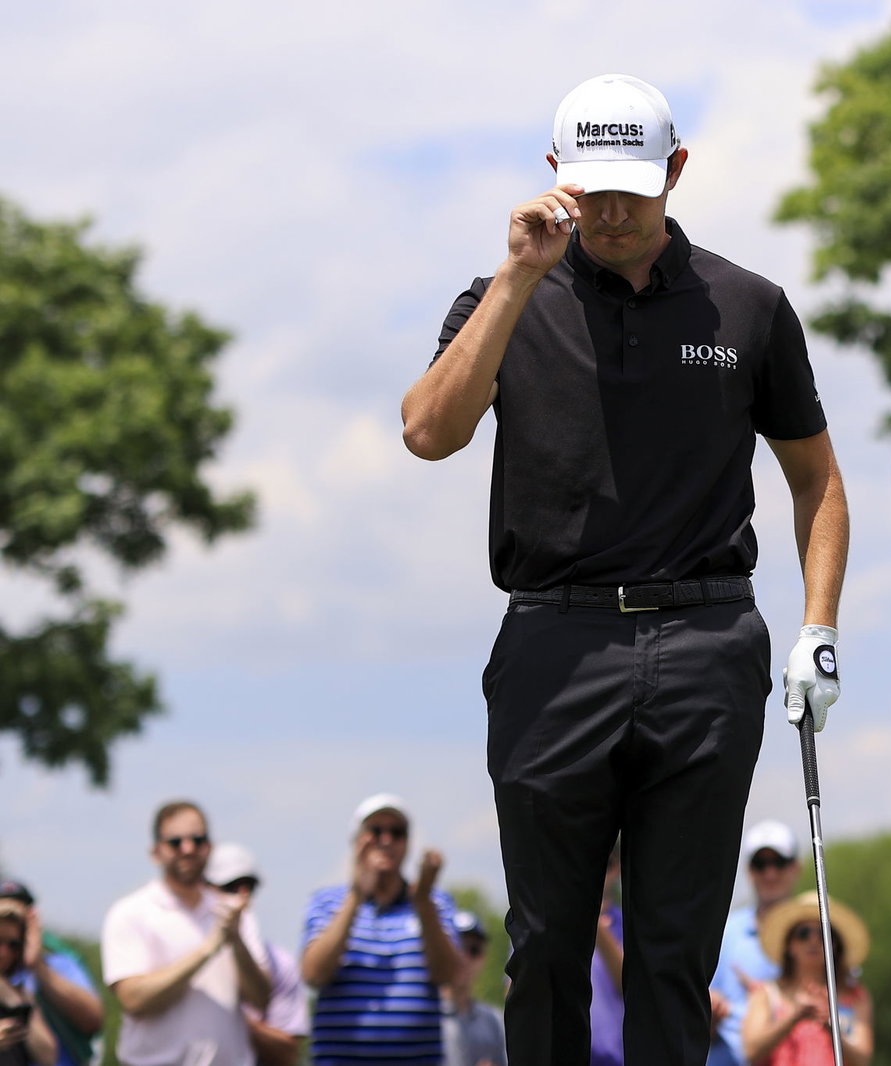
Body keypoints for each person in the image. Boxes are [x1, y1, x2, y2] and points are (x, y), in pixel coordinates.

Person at [401, 71, 849, 1066]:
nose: (609, 211)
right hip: (555, 641)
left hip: (706, 642)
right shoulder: (500, 300)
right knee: (549, 943)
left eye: (632, 189)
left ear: (676, 173)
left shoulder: (748, 305)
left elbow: (818, 483)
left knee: (671, 949)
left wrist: (818, 627)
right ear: (556, 175)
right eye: (591, 187)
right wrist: (518, 276)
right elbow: (429, 431)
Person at [101, 800, 271, 1066]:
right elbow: (133, 999)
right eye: (175, 842)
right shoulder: (130, 912)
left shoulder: (235, 914)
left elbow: (261, 999)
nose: (188, 849)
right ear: (155, 852)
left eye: (197, 839)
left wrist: (236, 942)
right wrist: (208, 949)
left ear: (210, 847)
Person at [301, 794, 461, 1065]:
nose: (386, 840)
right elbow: (313, 974)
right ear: (357, 841)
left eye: (396, 832)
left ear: (407, 844)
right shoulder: (327, 902)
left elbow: (448, 975)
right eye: (375, 831)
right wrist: (356, 896)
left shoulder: (434, 903)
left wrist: (422, 902)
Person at [710, 821, 805, 1066]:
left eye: (779, 863)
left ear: (796, 868)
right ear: (749, 871)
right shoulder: (724, 930)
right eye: (760, 865)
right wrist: (708, 1008)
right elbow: (700, 1008)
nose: (769, 874)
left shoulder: (817, 932)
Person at [207, 843, 310, 1066]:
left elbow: (288, 1055)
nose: (242, 896)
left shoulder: (281, 963)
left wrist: (231, 1019)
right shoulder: (184, 956)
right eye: (231, 887)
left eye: (249, 886)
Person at [742, 892, 872, 1066]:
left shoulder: (856, 997)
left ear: (834, 945)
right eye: (803, 933)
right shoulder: (766, 993)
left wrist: (830, 1026)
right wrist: (795, 1017)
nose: (813, 940)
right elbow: (751, 1053)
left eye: (824, 933)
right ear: (789, 945)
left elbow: (862, 1060)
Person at [0, 880, 102, 1066]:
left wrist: (35, 965)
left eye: (12, 943)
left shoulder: (60, 963)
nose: (4, 952)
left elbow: (92, 1022)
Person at [443, 911, 508, 1066]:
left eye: (474, 950)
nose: (464, 957)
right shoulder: (420, 1016)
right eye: (457, 946)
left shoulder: (495, 1021)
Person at [0, 900, 58, 1066]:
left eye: (13, 945)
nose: (4, 952)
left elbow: (48, 1057)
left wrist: (16, 1001)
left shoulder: (20, 993)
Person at [593, 843, 624, 1066]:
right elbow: (514, 992)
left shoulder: (630, 924)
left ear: (618, 869)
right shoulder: (545, 923)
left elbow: (628, 983)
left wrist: (597, 931)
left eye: (608, 863)